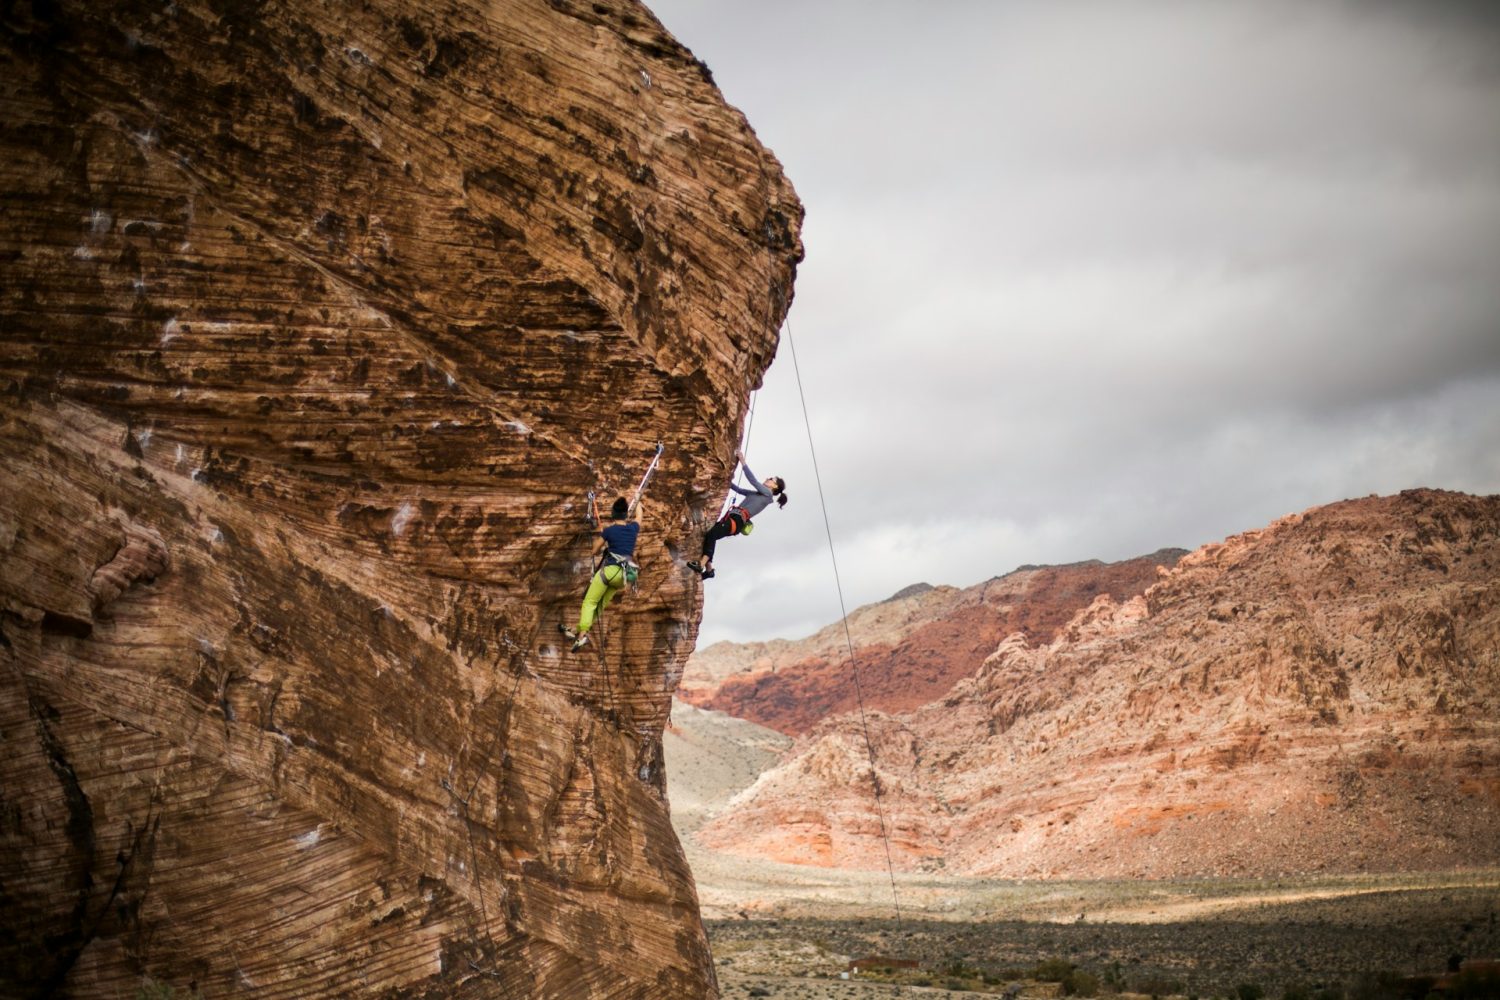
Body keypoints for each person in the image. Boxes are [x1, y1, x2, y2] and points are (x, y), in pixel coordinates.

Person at [559, 497, 642, 652]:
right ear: (626, 514)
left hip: (609, 572)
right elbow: (639, 516)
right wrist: (638, 501)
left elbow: (594, 550)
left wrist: (605, 541)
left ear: (613, 513)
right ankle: (578, 631)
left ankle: (582, 635)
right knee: (599, 606)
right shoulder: (633, 529)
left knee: (589, 602)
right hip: (622, 577)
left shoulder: (609, 531)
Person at [688, 451, 786, 580]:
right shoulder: (756, 494)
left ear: (775, 486)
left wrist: (742, 461)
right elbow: (739, 490)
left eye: (771, 479)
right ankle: (709, 570)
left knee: (712, 534)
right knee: (710, 534)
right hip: (733, 519)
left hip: (737, 521)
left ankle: (701, 565)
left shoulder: (767, 495)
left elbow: (753, 480)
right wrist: (726, 480)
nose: (768, 478)